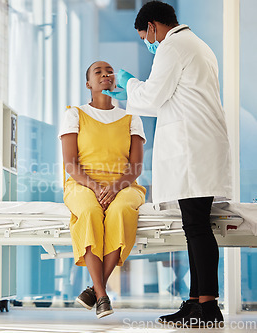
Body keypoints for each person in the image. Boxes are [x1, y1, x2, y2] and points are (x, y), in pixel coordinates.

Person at [102, 1, 231, 328]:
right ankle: (193, 303)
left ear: (154, 27)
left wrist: (130, 84)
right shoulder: (197, 45)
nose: (148, 43)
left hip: (194, 148)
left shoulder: (172, 47)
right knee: (194, 227)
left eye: (146, 36)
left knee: (197, 228)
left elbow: (153, 97)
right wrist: (132, 91)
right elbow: (170, 102)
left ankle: (209, 308)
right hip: (199, 143)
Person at [60, 60, 146, 318]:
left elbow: (136, 167)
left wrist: (115, 188)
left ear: (115, 81)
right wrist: (97, 188)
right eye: (98, 72)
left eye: (109, 71)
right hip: (83, 183)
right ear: (89, 84)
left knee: (120, 211)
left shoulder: (131, 116)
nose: (106, 74)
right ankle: (102, 294)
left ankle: (97, 291)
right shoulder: (74, 114)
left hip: (125, 183)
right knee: (88, 211)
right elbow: (70, 165)